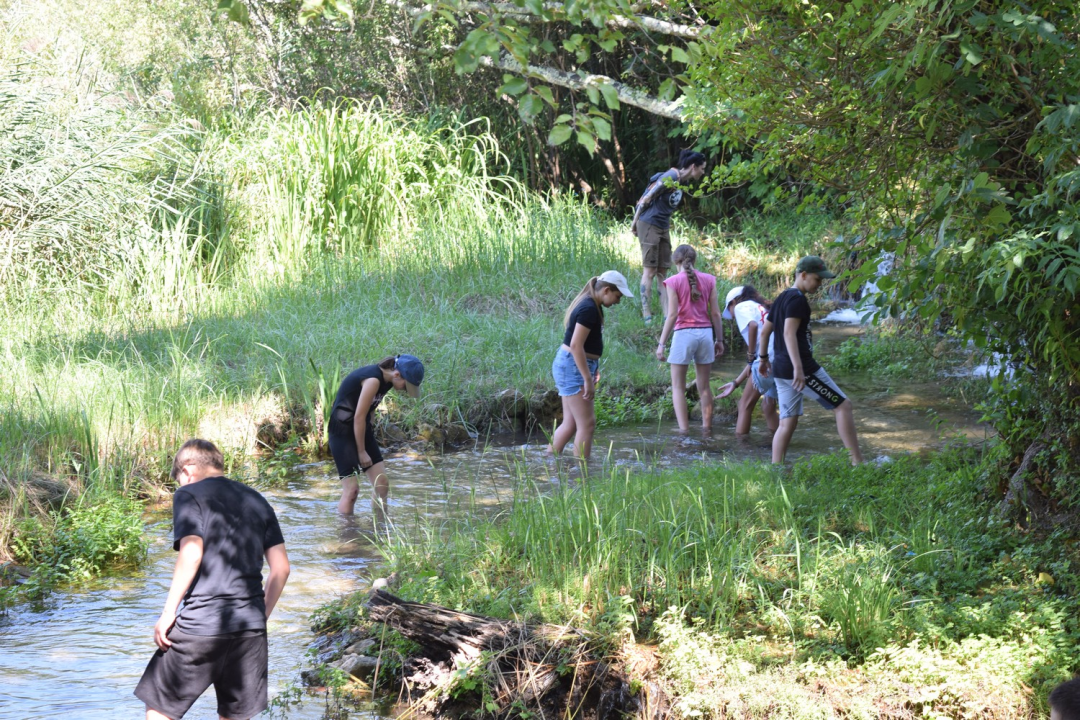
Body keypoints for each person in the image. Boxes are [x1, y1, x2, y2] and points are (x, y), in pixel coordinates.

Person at [135, 439, 290, 720]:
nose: (180, 487)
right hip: (249, 630)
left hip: (201, 624)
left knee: (159, 710)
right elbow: (281, 569)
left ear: (188, 470)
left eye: (179, 480)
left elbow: (192, 552)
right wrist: (259, 616)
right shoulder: (257, 500)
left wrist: (169, 611)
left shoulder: (189, 494)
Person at [757, 256, 864, 466]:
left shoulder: (781, 297)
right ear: (803, 275)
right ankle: (858, 463)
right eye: (817, 279)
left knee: (787, 422)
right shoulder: (797, 300)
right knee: (843, 406)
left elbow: (765, 332)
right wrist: (798, 369)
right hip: (801, 368)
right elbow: (789, 333)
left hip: (780, 368)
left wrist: (762, 359)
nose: (819, 284)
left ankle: (776, 469)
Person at [550, 270, 634, 459]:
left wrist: (594, 368)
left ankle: (550, 461)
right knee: (587, 424)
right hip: (573, 366)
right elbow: (576, 345)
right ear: (606, 290)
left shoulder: (592, 304)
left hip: (572, 365)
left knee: (571, 424)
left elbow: (585, 345)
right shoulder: (589, 308)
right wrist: (587, 377)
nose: (618, 301)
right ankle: (582, 473)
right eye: (618, 296)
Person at [328, 354, 425, 516]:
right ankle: (347, 534)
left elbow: (370, 409)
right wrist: (361, 451)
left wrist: (369, 432)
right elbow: (359, 416)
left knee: (382, 483)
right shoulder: (373, 380)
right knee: (352, 491)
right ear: (397, 374)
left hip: (361, 428)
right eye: (406, 385)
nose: (405, 390)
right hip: (342, 432)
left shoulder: (388, 381)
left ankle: (380, 529)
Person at [631, 150, 707, 325]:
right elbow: (647, 197)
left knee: (663, 271)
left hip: (663, 226)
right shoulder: (672, 175)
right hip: (648, 223)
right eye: (702, 168)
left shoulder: (682, 182)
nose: (703, 172)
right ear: (693, 167)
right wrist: (634, 223)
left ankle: (667, 315)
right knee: (649, 270)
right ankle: (646, 315)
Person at [655, 244, 724, 433]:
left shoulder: (673, 281)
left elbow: (672, 315)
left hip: (684, 334)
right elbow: (716, 314)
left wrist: (661, 343)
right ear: (695, 260)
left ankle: (684, 432)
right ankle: (707, 429)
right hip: (705, 334)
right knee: (704, 387)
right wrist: (719, 340)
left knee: (678, 387)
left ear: (675, 261)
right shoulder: (710, 280)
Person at [722, 284, 780, 437]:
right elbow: (752, 364)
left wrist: (750, 355)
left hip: (766, 359)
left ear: (733, 302)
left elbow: (752, 326)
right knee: (768, 406)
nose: (733, 317)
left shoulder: (741, 307)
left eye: (730, 311)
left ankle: (741, 448)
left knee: (744, 405)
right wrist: (736, 383)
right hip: (781, 357)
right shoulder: (760, 307)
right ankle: (777, 443)